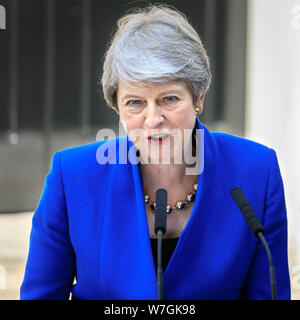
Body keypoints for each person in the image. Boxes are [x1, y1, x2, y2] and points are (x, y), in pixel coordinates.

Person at [20, 4, 290, 300]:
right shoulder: (71, 175)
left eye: (169, 99)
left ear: (198, 97)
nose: (152, 120)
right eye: (135, 102)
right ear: (116, 105)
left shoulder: (256, 171)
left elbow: (269, 293)